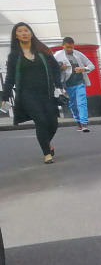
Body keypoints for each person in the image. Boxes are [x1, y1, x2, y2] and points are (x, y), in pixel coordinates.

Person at [1, 22, 64, 163]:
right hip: (27, 95)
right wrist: (4, 97)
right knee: (41, 121)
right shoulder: (14, 56)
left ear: (31, 33)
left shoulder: (43, 50)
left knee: (52, 123)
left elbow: (55, 69)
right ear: (16, 36)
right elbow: (10, 78)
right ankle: (47, 154)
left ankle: (46, 142)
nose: (24, 33)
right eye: (20, 31)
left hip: (47, 92)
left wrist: (59, 87)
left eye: (26, 30)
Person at [54, 36, 94, 132]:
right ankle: (78, 121)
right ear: (62, 45)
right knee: (73, 105)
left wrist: (83, 69)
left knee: (82, 103)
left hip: (79, 82)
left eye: (71, 47)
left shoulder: (78, 54)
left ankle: (85, 124)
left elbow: (91, 65)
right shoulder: (57, 55)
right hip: (67, 84)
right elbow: (50, 67)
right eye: (67, 47)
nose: (70, 49)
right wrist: (60, 67)